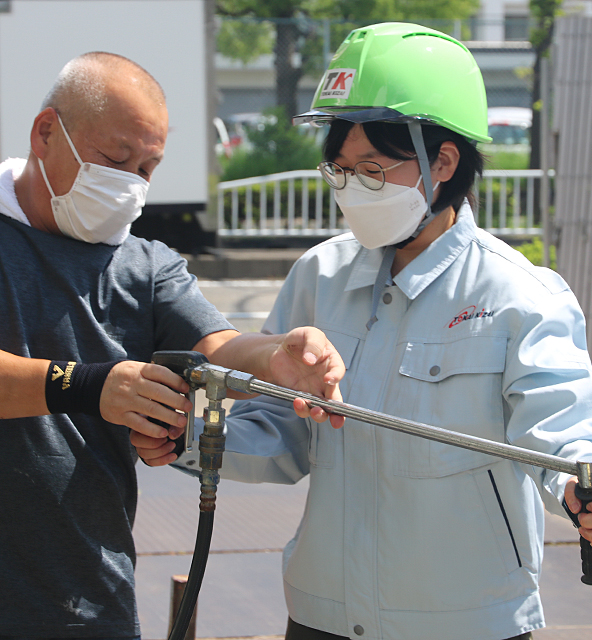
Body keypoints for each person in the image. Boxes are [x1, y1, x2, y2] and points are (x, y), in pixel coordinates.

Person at [134, 23, 592, 640]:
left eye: (371, 171)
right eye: (340, 171)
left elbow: (568, 423)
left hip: (465, 623)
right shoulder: (318, 276)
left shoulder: (516, 294)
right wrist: (189, 434)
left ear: (442, 163)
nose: (351, 190)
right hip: (320, 616)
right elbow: (281, 431)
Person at [0, 51, 346, 638]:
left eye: (148, 167)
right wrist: (91, 386)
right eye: (115, 159)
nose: (131, 183)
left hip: (88, 597)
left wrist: (276, 355)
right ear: (45, 133)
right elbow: (90, 386)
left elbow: (218, 344)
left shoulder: (145, 265)